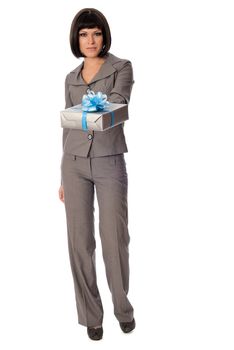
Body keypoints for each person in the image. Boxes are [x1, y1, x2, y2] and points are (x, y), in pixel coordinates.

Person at [58, 8, 135, 341]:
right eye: (83, 34)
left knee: (114, 238)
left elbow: (117, 106)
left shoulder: (121, 67)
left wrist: (84, 114)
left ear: (104, 35)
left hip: (109, 160)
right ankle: (92, 316)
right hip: (73, 163)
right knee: (79, 242)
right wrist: (62, 174)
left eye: (96, 33)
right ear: (77, 39)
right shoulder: (71, 77)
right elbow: (68, 126)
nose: (90, 40)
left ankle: (123, 309)